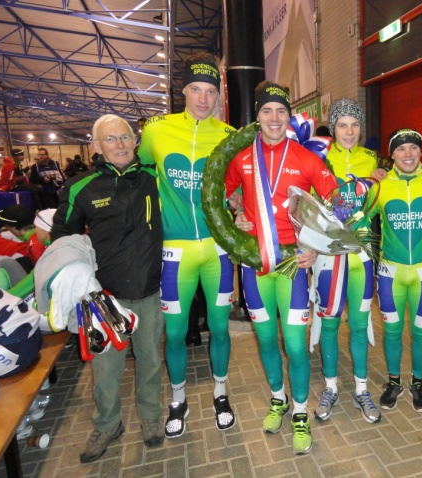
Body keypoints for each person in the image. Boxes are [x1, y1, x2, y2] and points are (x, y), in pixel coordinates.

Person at [225, 81, 338, 455]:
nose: (274, 118)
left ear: (289, 117)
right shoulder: (241, 157)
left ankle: (301, 412)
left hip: (292, 264)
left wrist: (314, 245)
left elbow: (334, 203)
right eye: (267, 111)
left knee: (295, 345)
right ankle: (279, 399)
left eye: (281, 112)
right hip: (255, 268)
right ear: (257, 116)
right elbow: (223, 192)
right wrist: (237, 211)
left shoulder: (306, 158)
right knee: (266, 339)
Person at [52, 114, 164, 463]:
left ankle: (150, 418)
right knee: (106, 368)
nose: (119, 145)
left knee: (149, 361)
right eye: (110, 139)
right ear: (97, 146)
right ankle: (107, 424)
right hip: (104, 298)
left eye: (124, 137)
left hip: (148, 289)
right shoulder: (80, 188)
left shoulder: (153, 179)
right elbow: (61, 240)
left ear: (135, 141)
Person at [138, 52, 237, 437]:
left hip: (217, 251)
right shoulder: (157, 130)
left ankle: (221, 392)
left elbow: (240, 189)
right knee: (176, 333)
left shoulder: (228, 136)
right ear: (183, 90)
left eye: (210, 91)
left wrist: (237, 206)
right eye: (195, 89)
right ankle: (178, 399)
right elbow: (142, 173)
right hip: (175, 253)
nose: (202, 98)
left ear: (218, 96)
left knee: (220, 328)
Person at [312, 98, 386, 424]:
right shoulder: (319, 157)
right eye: (343, 125)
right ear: (334, 127)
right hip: (329, 256)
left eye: (355, 125)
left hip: (361, 256)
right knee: (329, 324)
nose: (350, 131)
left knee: (358, 324)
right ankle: (329, 387)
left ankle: (361, 388)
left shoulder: (371, 159)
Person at [366, 129, 422, 413]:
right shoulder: (382, 185)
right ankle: (393, 382)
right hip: (390, 274)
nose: (408, 154)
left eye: (413, 147)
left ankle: (418, 384)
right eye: (400, 149)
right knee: (392, 332)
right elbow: (358, 217)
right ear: (392, 154)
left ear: (421, 151)